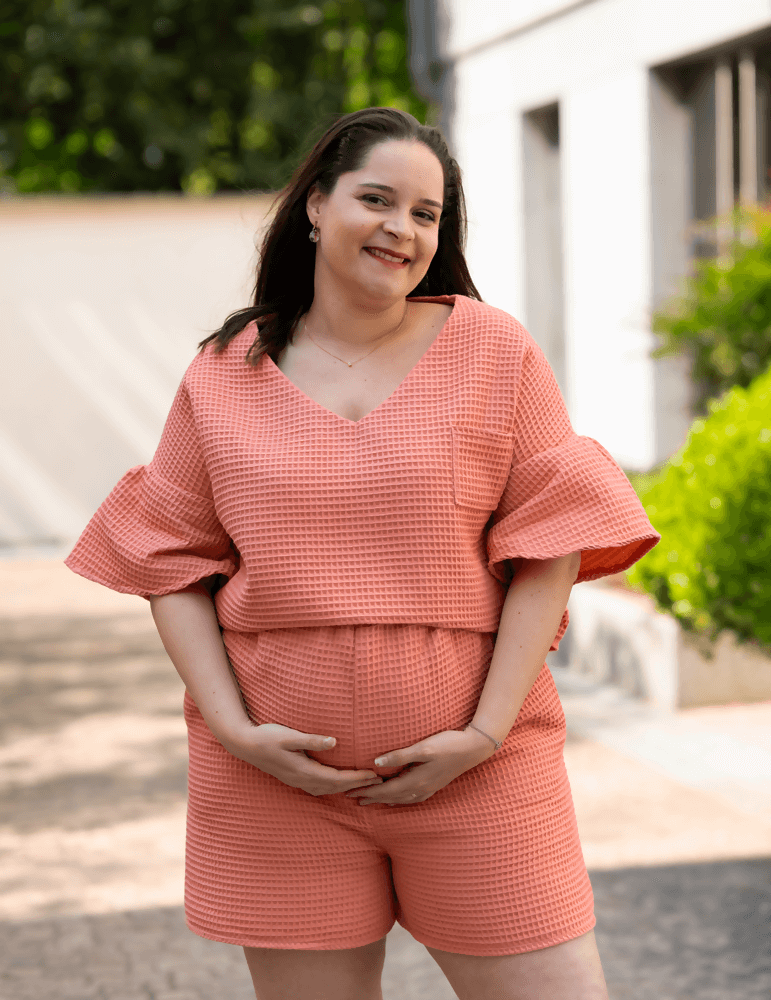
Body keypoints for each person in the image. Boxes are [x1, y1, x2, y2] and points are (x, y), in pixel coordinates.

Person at [65, 107, 660, 1000]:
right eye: (376, 199)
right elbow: (168, 558)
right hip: (276, 788)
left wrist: (483, 734)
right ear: (314, 203)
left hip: (482, 773)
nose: (402, 229)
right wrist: (234, 730)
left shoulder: (493, 349)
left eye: (426, 214)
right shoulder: (222, 370)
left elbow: (551, 544)